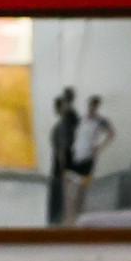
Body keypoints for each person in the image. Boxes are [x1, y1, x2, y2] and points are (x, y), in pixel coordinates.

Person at [65, 96, 116, 223]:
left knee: (82, 188)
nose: (93, 108)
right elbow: (75, 135)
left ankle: (79, 215)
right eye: (92, 105)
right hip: (76, 156)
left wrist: (100, 146)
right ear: (89, 105)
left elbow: (111, 133)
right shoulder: (81, 119)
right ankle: (70, 216)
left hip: (88, 158)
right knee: (70, 186)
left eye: (95, 106)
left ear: (97, 107)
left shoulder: (100, 121)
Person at [47, 88, 77, 226]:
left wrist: (63, 167)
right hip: (63, 164)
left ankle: (58, 220)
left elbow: (62, 149)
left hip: (61, 166)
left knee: (60, 195)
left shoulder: (64, 124)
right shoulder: (69, 121)